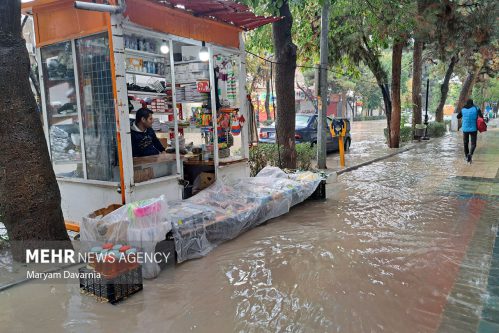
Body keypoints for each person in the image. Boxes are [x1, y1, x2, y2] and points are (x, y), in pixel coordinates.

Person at [457, 99, 483, 164]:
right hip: (474, 129)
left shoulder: (463, 109)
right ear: (472, 103)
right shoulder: (476, 108)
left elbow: (458, 117)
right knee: (473, 144)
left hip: (465, 129)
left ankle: (467, 157)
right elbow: (481, 117)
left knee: (465, 143)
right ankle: (470, 154)